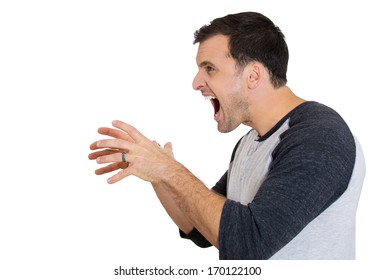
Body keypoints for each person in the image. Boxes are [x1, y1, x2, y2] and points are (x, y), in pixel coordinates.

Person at [88, 12, 365, 260]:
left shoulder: (320, 137)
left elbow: (247, 245)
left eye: (209, 68)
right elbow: (201, 228)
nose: (196, 82)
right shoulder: (250, 142)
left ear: (253, 75)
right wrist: (157, 174)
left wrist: (168, 170)